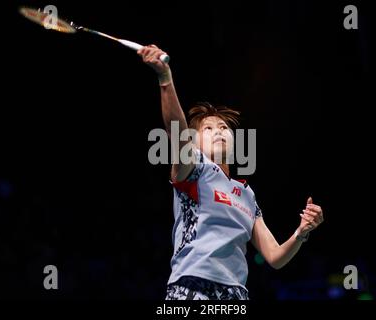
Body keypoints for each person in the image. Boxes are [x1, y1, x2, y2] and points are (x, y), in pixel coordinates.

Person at [138, 45, 324, 300]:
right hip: (191, 288)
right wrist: (165, 78)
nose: (219, 131)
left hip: (236, 295)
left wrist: (301, 233)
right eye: (209, 129)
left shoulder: (247, 195)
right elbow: (177, 132)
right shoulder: (194, 170)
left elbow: (275, 257)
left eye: (223, 127)